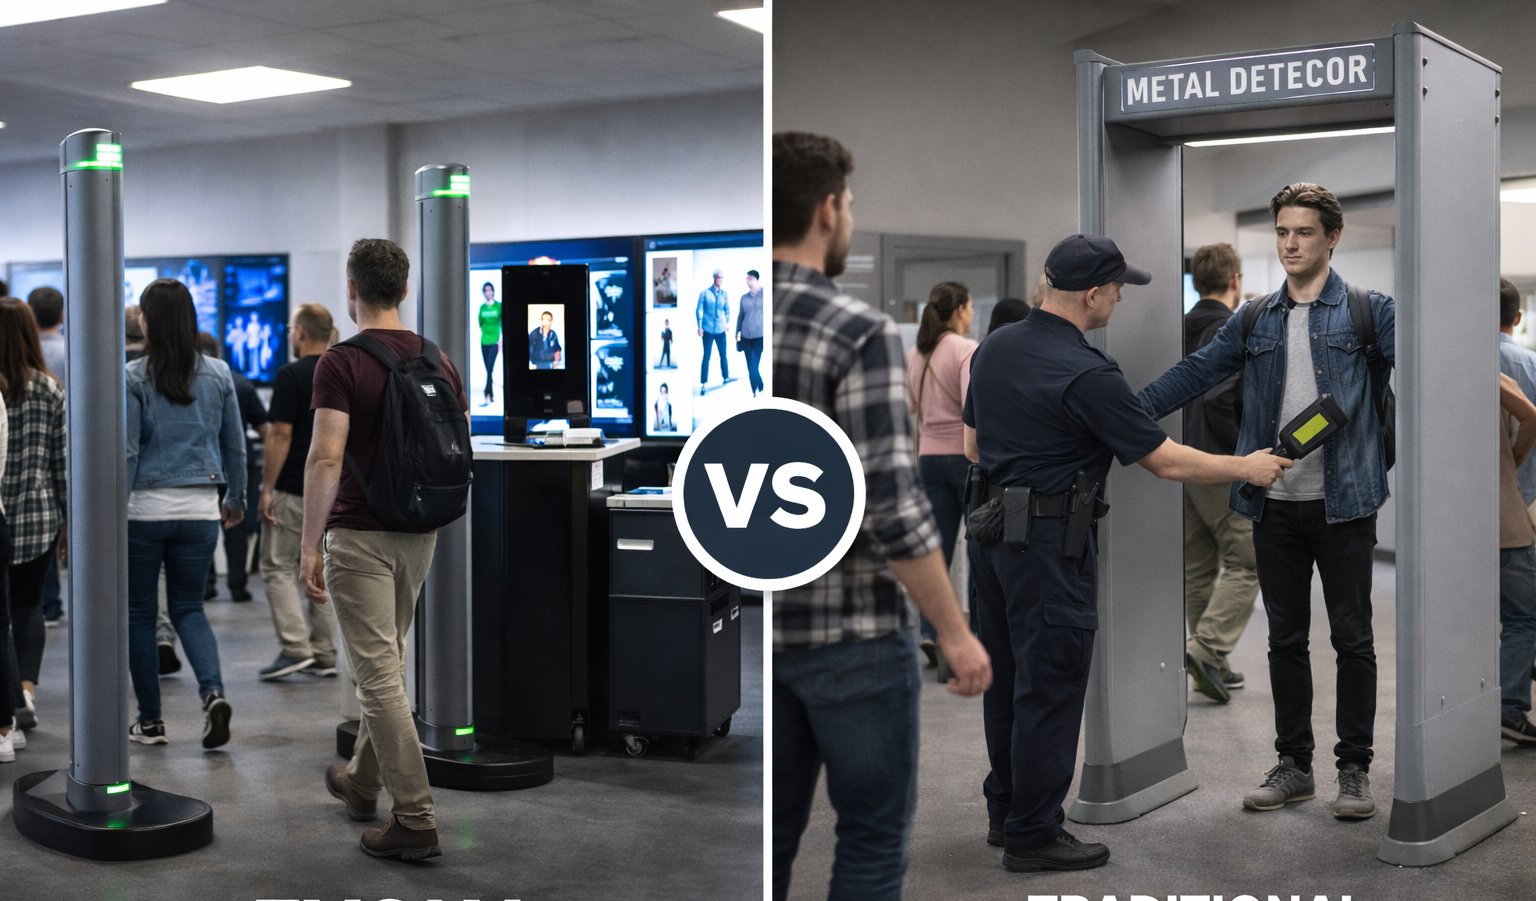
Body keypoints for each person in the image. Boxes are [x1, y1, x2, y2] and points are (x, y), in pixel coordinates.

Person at [965, 233, 1289, 872]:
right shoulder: (1087, 372)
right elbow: (1165, 462)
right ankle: (1033, 835)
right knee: (1052, 686)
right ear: (1091, 295)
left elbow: (974, 447)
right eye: (1117, 287)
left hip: (991, 540)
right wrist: (1246, 466)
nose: (1120, 296)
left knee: (1006, 682)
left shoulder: (995, 346)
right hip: (1050, 550)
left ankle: (1007, 814)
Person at [772, 131, 991, 901]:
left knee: (770, 846)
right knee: (868, 840)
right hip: (853, 631)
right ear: (828, 210)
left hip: (764, 626)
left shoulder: (736, 322)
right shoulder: (853, 329)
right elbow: (890, 512)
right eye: (852, 205)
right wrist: (955, 633)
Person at [1139, 182, 1395, 820]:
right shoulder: (1255, 317)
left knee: (1353, 639)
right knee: (1285, 639)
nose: (1290, 243)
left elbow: (1427, 372)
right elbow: (1197, 372)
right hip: (1274, 501)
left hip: (1346, 504)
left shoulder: (1370, 311)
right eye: (1283, 231)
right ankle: (1294, 766)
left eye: (1304, 232)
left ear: (1332, 237)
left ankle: (1355, 769)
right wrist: (1129, 412)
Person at [301, 238, 466, 861]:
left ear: (352, 290)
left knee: (377, 677)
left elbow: (325, 456)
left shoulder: (340, 363)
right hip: (420, 530)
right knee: (387, 663)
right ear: (402, 290)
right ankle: (361, 783)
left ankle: (416, 819)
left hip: (360, 533)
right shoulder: (437, 359)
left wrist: (308, 543)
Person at [125, 279, 243, 749]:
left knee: (138, 615)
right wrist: (235, 499)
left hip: (144, 510)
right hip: (200, 510)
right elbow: (233, 445)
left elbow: (128, 453)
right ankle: (212, 692)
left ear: (147, 322)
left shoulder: (133, 376)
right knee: (190, 610)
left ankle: (151, 722)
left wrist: (110, 511)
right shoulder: (218, 373)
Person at [1179, 243, 1258, 703]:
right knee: (1248, 563)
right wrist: (1240, 452)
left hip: (1181, 463)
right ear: (1235, 281)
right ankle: (1207, 648)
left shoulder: (1179, 328)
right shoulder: (1230, 329)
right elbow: (1218, 398)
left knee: (1199, 567)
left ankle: (1214, 665)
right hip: (1220, 464)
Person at [257, 303, 339, 681]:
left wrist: (267, 487)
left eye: (292, 329)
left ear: (302, 333)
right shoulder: (339, 370)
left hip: (293, 486)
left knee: (276, 565)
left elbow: (281, 433)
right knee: (319, 565)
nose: (290, 335)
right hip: (331, 491)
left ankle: (295, 648)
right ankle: (324, 652)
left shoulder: (290, 374)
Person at [904, 280, 977, 672]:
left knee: (937, 550)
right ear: (962, 310)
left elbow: (912, 405)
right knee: (978, 546)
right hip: (963, 459)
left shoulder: (916, 352)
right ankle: (969, 634)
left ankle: (931, 631)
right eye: (969, 307)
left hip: (928, 458)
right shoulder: (967, 350)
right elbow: (972, 406)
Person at [0, 300, 64, 744]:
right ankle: (26, 692)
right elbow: (63, 465)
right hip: (40, 516)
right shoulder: (50, 389)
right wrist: (68, 523)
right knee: (28, 609)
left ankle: (5, 710)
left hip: (0, 516)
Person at [196, 332, 266, 603]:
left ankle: (207, 582)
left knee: (206, 525)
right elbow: (264, 428)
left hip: (205, 464)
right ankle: (238, 584)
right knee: (235, 526)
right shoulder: (242, 384)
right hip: (237, 464)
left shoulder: (188, 384)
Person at [1497, 370, 1536, 744]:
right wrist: (1514, 460)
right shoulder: (1491, 374)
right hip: (1504, 521)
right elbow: (1531, 415)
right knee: (1524, 617)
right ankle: (1509, 706)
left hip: (1454, 528)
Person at [26, 287, 65, 627]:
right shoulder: (73, 351)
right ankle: (53, 603)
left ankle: (46, 603)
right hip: (68, 449)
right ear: (62, 315)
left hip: (27, 457)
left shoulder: (22, 356)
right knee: (52, 523)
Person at [1498, 278, 1536, 521]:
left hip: (1471, 495)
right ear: (1517, 318)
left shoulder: (1465, 363)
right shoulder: (1533, 364)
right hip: (1526, 498)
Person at [697, 269, 731, 387]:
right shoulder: (705, 293)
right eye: (718, 277)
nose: (720, 280)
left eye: (722, 277)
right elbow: (699, 310)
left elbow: (727, 310)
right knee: (706, 356)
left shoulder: (724, 294)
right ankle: (704, 382)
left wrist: (727, 323)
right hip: (708, 330)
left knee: (723, 354)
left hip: (721, 330)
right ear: (714, 278)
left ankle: (726, 377)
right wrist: (699, 326)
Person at [737, 270, 765, 396]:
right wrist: (737, 332)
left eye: (750, 278)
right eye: (746, 278)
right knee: (750, 366)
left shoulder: (766, 293)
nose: (748, 280)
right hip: (745, 336)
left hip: (760, 337)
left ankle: (759, 384)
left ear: (756, 279)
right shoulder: (743, 298)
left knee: (754, 366)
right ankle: (754, 391)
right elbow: (740, 316)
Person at [477, 282, 501, 406]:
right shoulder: (482, 307)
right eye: (485, 290)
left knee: (490, 368)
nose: (488, 292)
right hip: (484, 341)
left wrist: (500, 340)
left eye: (490, 290)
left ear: (493, 291)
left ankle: (487, 393)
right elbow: (480, 323)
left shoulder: (499, 306)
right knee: (488, 369)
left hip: (495, 342)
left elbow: (502, 323)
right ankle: (490, 394)